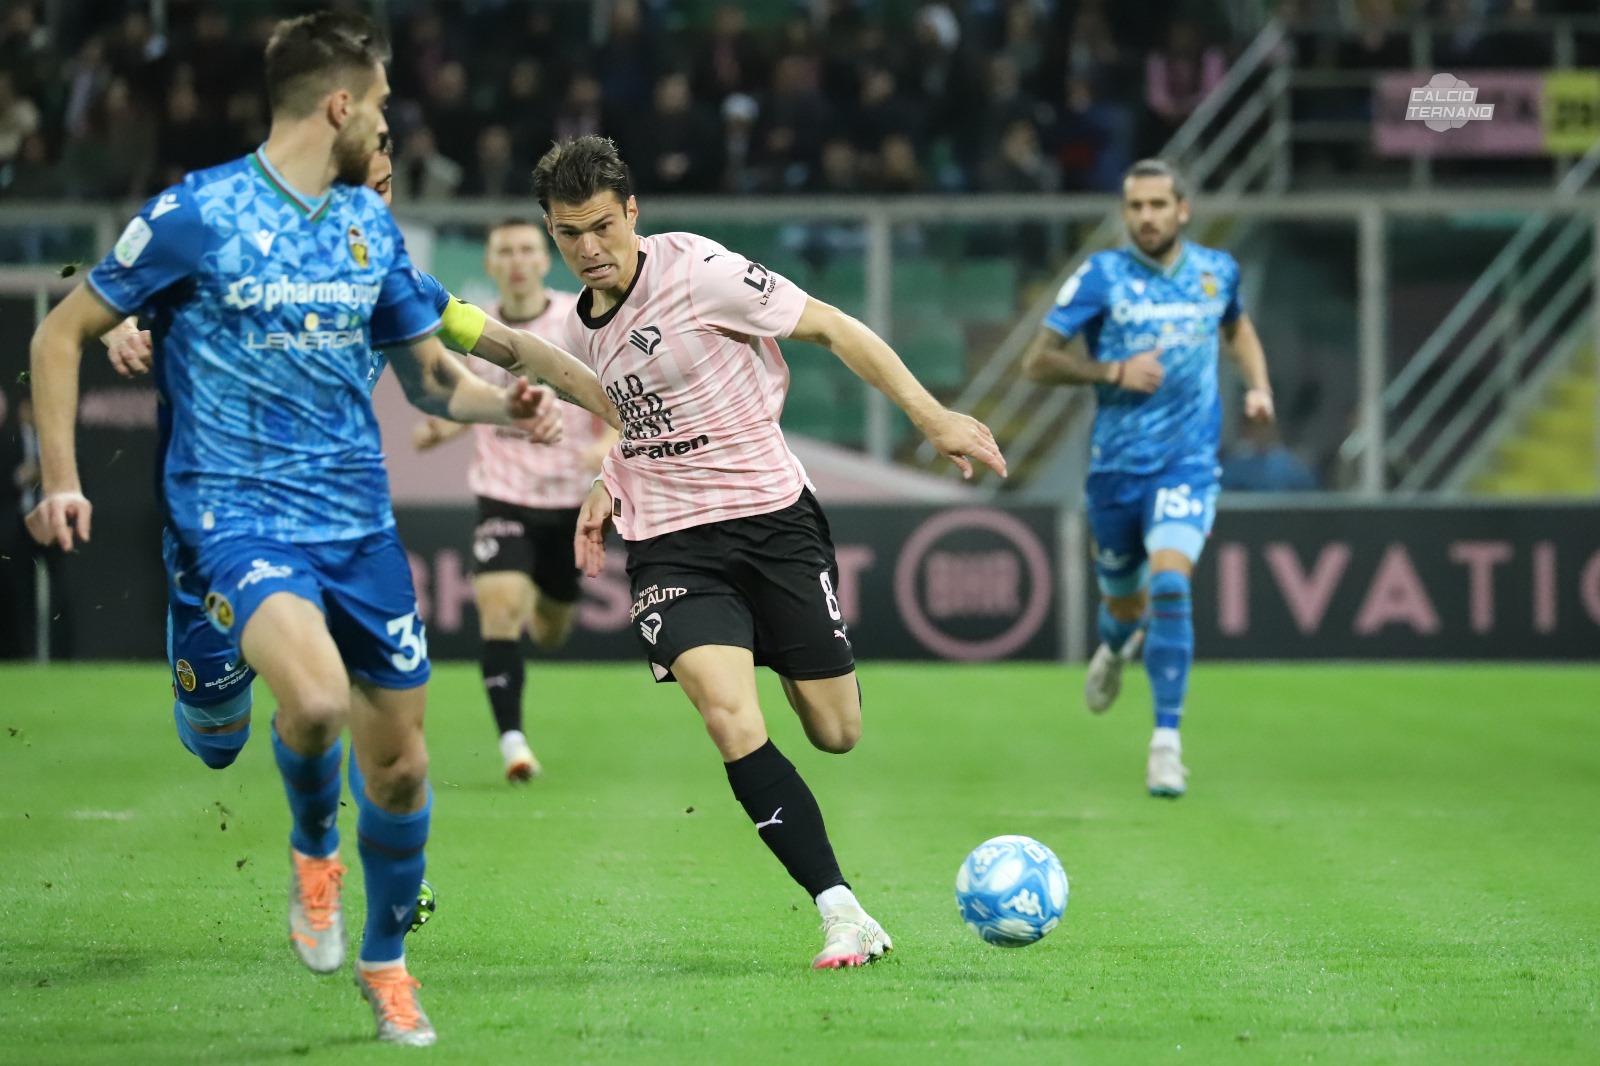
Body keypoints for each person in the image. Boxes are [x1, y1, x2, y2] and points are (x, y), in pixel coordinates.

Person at [25, 13, 609, 1048]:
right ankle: (311, 850)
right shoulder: (193, 213)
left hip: (358, 524)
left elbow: (433, 370)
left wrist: (501, 404)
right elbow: (64, 327)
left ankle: (387, 963)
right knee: (313, 698)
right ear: (341, 104)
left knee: (404, 768)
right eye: (380, 107)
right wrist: (62, 479)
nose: (388, 127)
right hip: (234, 511)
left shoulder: (367, 230)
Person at [538, 135, 1006, 969]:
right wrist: (608, 479)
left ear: (633, 212)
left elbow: (833, 327)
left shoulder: (701, 273)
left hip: (772, 520)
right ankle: (842, 910)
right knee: (728, 717)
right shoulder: (580, 325)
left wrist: (931, 416)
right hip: (672, 545)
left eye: (601, 227)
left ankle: (797, 652)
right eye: (568, 233)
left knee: (835, 731)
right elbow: (638, 419)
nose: (587, 250)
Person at [1020, 158, 1276, 799]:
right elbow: (1038, 361)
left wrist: (1258, 387)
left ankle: (1166, 744)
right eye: (1136, 207)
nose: (1147, 217)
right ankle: (1112, 647)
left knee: (1170, 580)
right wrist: (1111, 372)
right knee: (1125, 606)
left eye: (1159, 205)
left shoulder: (1218, 271)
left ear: (1183, 209)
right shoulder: (1102, 276)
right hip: (1115, 471)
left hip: (1187, 462)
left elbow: (1238, 326)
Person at [414, 218, 618, 782]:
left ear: (544, 257)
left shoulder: (576, 319)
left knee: (551, 629)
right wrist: (442, 430)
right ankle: (513, 744)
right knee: (500, 610)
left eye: (528, 248)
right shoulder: (473, 328)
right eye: (505, 250)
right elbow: (472, 397)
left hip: (570, 502)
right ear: (490, 264)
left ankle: (546, 604)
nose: (518, 260)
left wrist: (604, 442)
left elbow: (615, 394)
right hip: (503, 495)